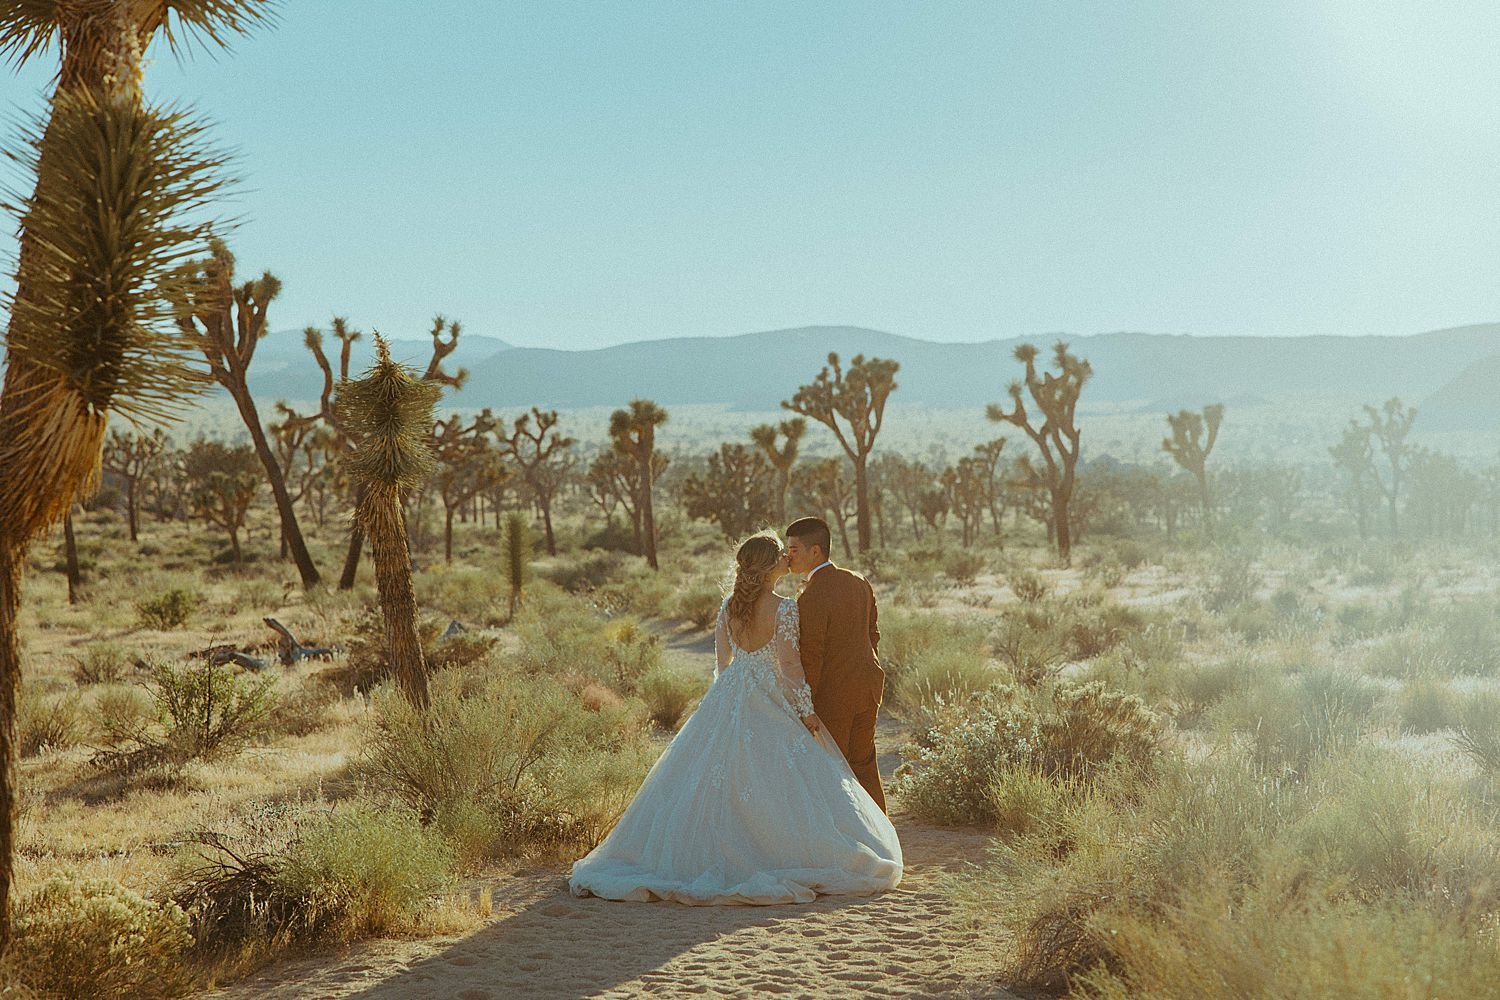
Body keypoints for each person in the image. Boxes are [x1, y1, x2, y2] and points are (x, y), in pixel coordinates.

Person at [568, 530, 901, 905]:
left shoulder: (729, 606)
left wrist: (725, 702)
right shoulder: (786, 608)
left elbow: (723, 665)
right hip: (770, 694)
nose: (787, 559)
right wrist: (807, 712)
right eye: (781, 555)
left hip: (729, 695)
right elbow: (791, 667)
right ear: (768, 566)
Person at [785, 516, 886, 811]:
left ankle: (849, 844)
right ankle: (882, 838)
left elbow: (811, 656)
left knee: (833, 771)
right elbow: (873, 633)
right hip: (868, 689)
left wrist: (806, 704)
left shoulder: (811, 596)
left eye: (793, 549)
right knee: (864, 765)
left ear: (815, 552)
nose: (787, 555)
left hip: (834, 697)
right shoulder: (858, 581)